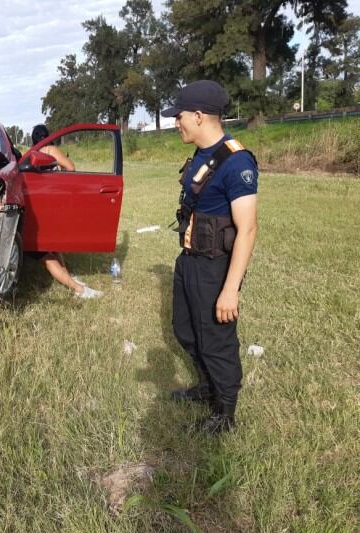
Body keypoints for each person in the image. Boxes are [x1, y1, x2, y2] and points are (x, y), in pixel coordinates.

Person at [161, 81, 258, 435]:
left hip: (215, 266)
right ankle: (207, 387)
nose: (177, 123)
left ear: (199, 116)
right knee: (185, 330)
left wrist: (230, 289)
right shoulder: (201, 155)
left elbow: (247, 229)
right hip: (189, 259)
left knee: (217, 340)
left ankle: (225, 413)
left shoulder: (236, 162)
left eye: (180, 116)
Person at [29, 124, 103, 299]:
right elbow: (71, 167)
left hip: (38, 204)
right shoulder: (51, 149)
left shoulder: (31, 154)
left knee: (51, 245)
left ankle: (68, 277)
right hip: (51, 204)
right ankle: (78, 289)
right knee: (46, 253)